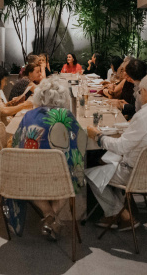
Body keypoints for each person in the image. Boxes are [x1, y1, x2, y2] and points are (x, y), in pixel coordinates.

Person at [86, 74, 147, 229]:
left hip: (137, 175)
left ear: (143, 91)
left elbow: (121, 147)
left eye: (139, 92)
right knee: (109, 160)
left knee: (90, 173)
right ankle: (122, 208)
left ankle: (119, 214)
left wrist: (98, 136)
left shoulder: (145, 115)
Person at [7, 78, 87, 240]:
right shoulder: (66, 115)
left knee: (28, 178)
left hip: (33, 176)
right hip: (60, 177)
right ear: (63, 98)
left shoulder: (29, 115)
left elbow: (16, 143)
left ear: (39, 97)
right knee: (73, 177)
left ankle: (48, 215)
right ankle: (51, 218)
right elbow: (80, 142)